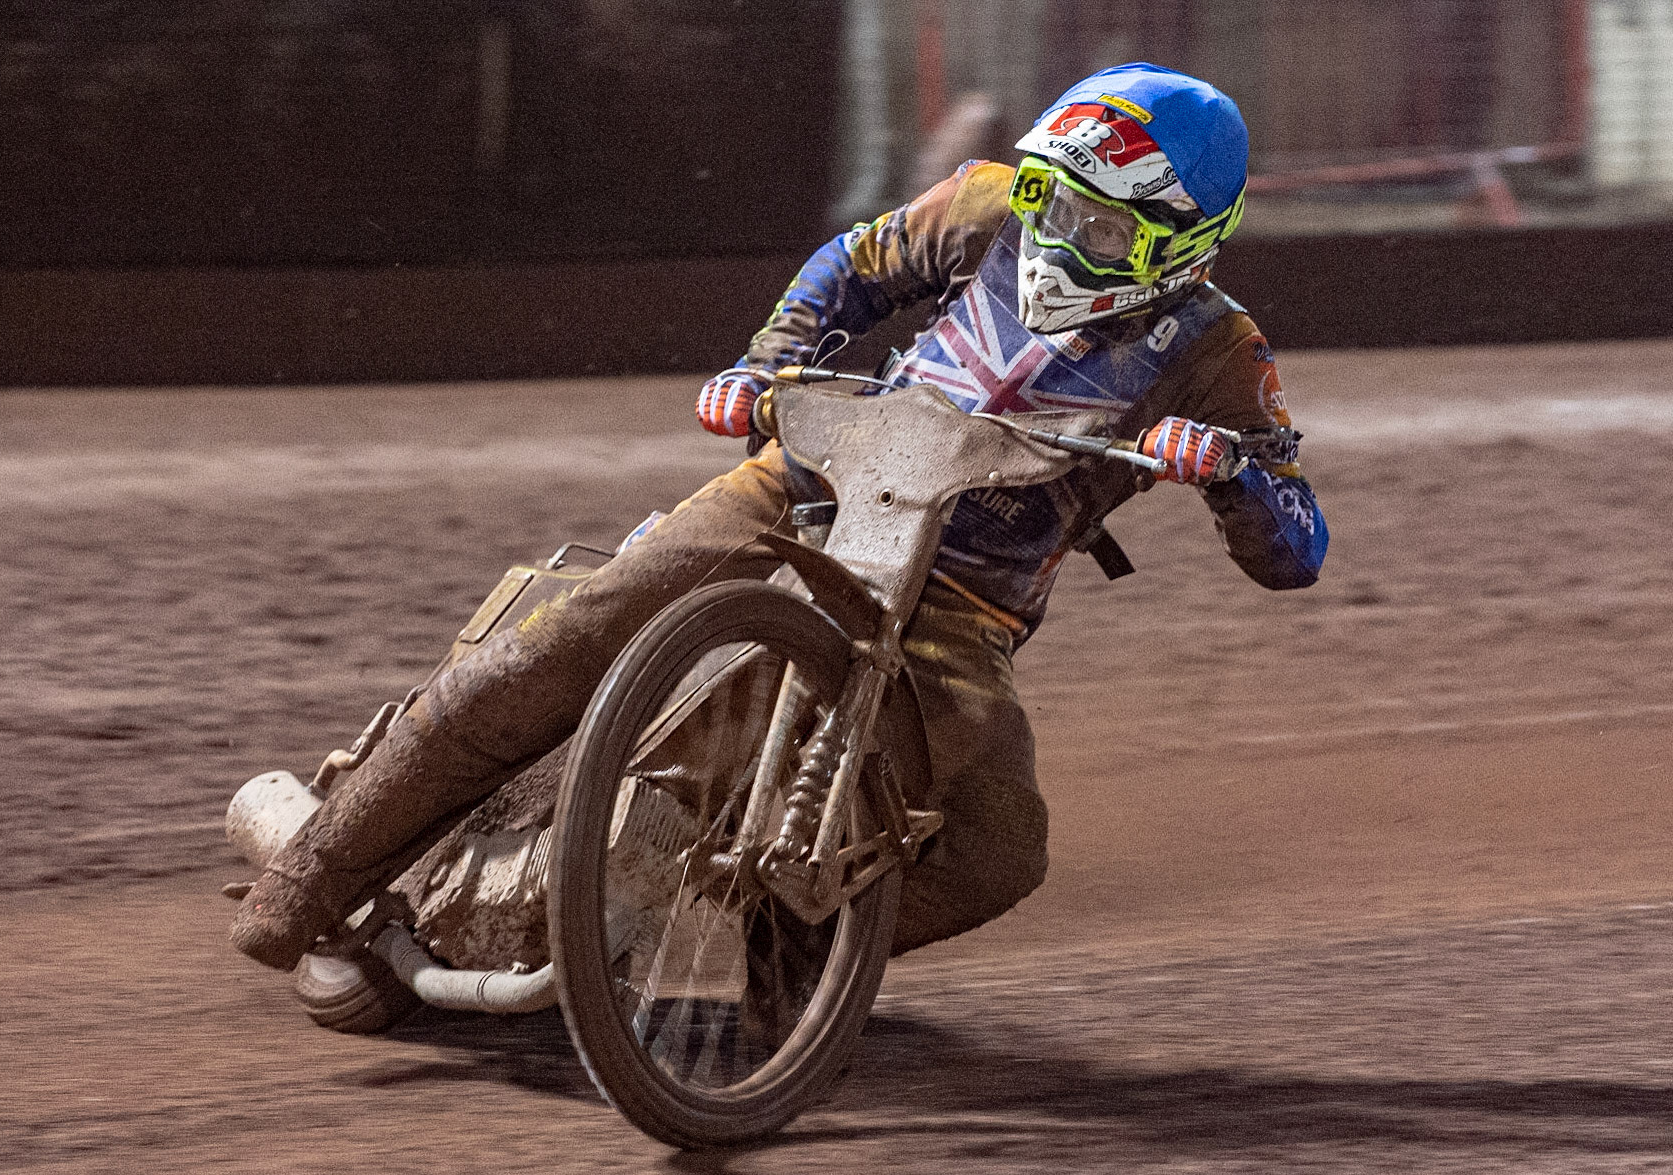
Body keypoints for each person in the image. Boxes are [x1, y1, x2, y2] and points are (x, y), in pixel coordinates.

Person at [230, 62, 1328, 972]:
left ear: (1179, 240)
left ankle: (771, 975)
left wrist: (1228, 470)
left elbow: (1296, 546)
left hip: (959, 605)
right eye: (1050, 200)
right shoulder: (986, 203)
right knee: (566, 636)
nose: (1054, 233)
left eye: (1096, 223)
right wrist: (768, 367)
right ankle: (313, 871)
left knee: (997, 847)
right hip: (803, 485)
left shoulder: (1219, 356)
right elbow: (852, 265)